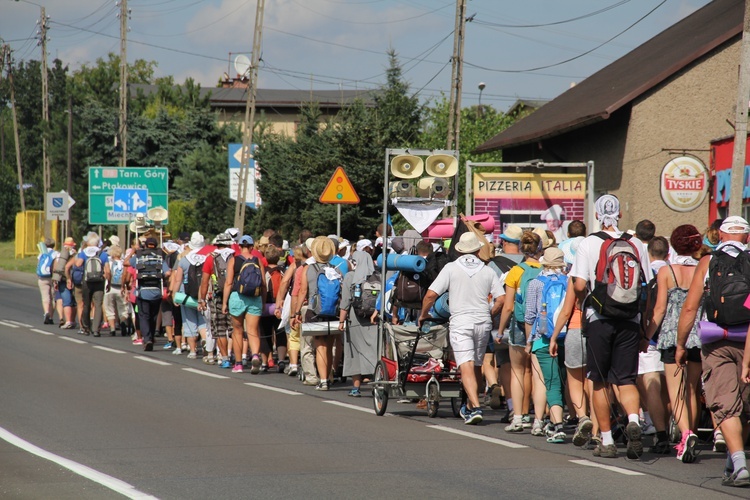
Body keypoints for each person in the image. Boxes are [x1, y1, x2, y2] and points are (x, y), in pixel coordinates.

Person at [569, 194, 651, 459]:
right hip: (630, 319)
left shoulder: (588, 243)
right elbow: (646, 288)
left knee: (600, 380)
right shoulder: (637, 242)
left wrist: (584, 303)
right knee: (626, 379)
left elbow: (580, 285)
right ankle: (634, 421)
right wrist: (643, 326)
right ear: (620, 215)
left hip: (599, 318)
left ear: (596, 215)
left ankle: (607, 441)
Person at [683, 216, 750, 488]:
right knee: (745, 407)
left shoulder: (708, 263)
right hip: (748, 340)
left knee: (726, 403)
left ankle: (739, 463)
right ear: (746, 237)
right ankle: (735, 461)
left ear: (720, 236)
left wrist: (679, 345)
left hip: (717, 339)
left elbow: (690, 308)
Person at [419, 232, 504, 425]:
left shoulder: (451, 267)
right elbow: (501, 299)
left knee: (465, 366)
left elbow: (431, 295)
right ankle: (470, 404)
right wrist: (490, 314)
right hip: (483, 321)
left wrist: (424, 314)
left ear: (459, 250)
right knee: (476, 366)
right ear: (476, 249)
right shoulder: (487, 269)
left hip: (461, 321)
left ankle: (475, 407)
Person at [645, 225, 704, 461]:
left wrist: (646, 334)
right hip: (699, 334)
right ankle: (692, 432)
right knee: (692, 388)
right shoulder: (704, 269)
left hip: (671, 335)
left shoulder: (666, 272)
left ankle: (685, 434)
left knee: (675, 391)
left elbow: (659, 309)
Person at [497, 230, 543, 432]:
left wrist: (499, 331)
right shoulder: (545, 270)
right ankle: (539, 419)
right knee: (536, 372)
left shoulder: (516, 271)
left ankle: (518, 416)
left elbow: (508, 306)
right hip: (540, 325)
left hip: (519, 323)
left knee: (517, 370)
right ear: (540, 248)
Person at [524, 247, 568, 442]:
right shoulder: (569, 281)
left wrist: (528, 342)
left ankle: (555, 425)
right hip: (566, 337)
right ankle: (560, 419)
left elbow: (530, 315)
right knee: (564, 381)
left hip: (542, 339)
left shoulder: (535, 283)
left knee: (548, 382)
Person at [296, 236, 342, 391]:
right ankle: (328, 376)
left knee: (320, 346)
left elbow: (303, 291)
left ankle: (322, 380)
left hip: (315, 311)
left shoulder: (308, 269)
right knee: (328, 346)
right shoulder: (336, 269)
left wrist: (295, 312)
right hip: (333, 311)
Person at [223, 235, 266, 374]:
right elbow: (264, 284)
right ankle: (254, 355)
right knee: (253, 331)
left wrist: (224, 302)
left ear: (239, 246)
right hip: (255, 297)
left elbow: (229, 282)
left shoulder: (233, 260)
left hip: (237, 296)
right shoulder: (257, 260)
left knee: (237, 331)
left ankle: (239, 364)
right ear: (253, 247)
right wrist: (263, 302)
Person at [338, 250, 378, 397]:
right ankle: (377, 385)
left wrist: (341, 321)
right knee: (375, 352)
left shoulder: (351, 276)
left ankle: (356, 388)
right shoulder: (378, 276)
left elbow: (345, 302)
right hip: (374, 320)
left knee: (354, 353)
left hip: (355, 319)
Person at [199, 233, 234, 368]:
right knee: (235, 329)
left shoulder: (211, 259)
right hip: (234, 296)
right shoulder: (234, 256)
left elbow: (204, 281)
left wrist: (202, 299)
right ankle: (236, 357)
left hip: (217, 296)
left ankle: (224, 358)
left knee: (220, 329)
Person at [171, 232, 208, 359]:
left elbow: (177, 280)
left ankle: (192, 351)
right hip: (203, 294)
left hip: (186, 295)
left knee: (189, 322)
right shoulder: (207, 258)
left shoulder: (184, 260)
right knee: (203, 321)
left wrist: (175, 295)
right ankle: (205, 342)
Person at [69, 234, 110, 337]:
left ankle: (86, 327)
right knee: (98, 305)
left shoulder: (84, 253)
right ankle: (96, 329)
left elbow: (78, 264)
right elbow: (108, 271)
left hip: (87, 281)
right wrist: (108, 281)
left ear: (88, 243)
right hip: (99, 281)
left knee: (86, 304)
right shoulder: (103, 254)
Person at [132, 237, 164, 351]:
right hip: (156, 292)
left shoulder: (139, 257)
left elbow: (126, 263)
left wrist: (134, 251)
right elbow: (168, 272)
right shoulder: (160, 258)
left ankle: (147, 338)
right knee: (153, 316)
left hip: (143, 291)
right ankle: (150, 336)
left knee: (144, 316)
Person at [103, 245, 130, 337]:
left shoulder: (109, 262)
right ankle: (123, 322)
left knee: (109, 308)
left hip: (109, 288)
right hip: (121, 288)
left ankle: (112, 328)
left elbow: (107, 273)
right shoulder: (124, 263)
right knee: (123, 308)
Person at [52, 237, 77, 329]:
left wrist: (55, 281)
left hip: (63, 280)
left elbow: (55, 269)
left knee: (66, 301)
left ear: (63, 244)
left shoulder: (59, 256)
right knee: (74, 302)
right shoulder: (76, 254)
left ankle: (68, 321)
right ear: (73, 245)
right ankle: (73, 321)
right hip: (75, 280)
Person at [36, 237, 59, 324]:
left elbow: (38, 265)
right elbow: (56, 266)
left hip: (42, 277)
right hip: (52, 277)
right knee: (53, 298)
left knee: (45, 297)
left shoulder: (41, 253)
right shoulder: (56, 253)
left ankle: (46, 313)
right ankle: (51, 317)